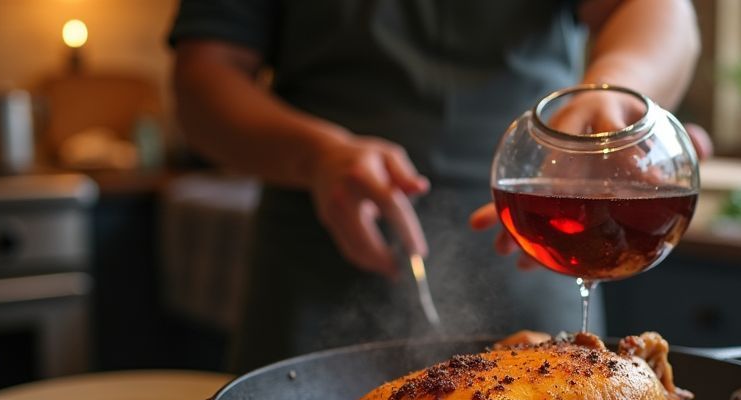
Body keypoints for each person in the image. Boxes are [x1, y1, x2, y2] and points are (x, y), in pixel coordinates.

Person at [170, 0, 705, 372]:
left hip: (537, 246)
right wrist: (315, 156)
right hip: (323, 265)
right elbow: (202, 78)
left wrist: (614, 87)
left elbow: (660, 15)